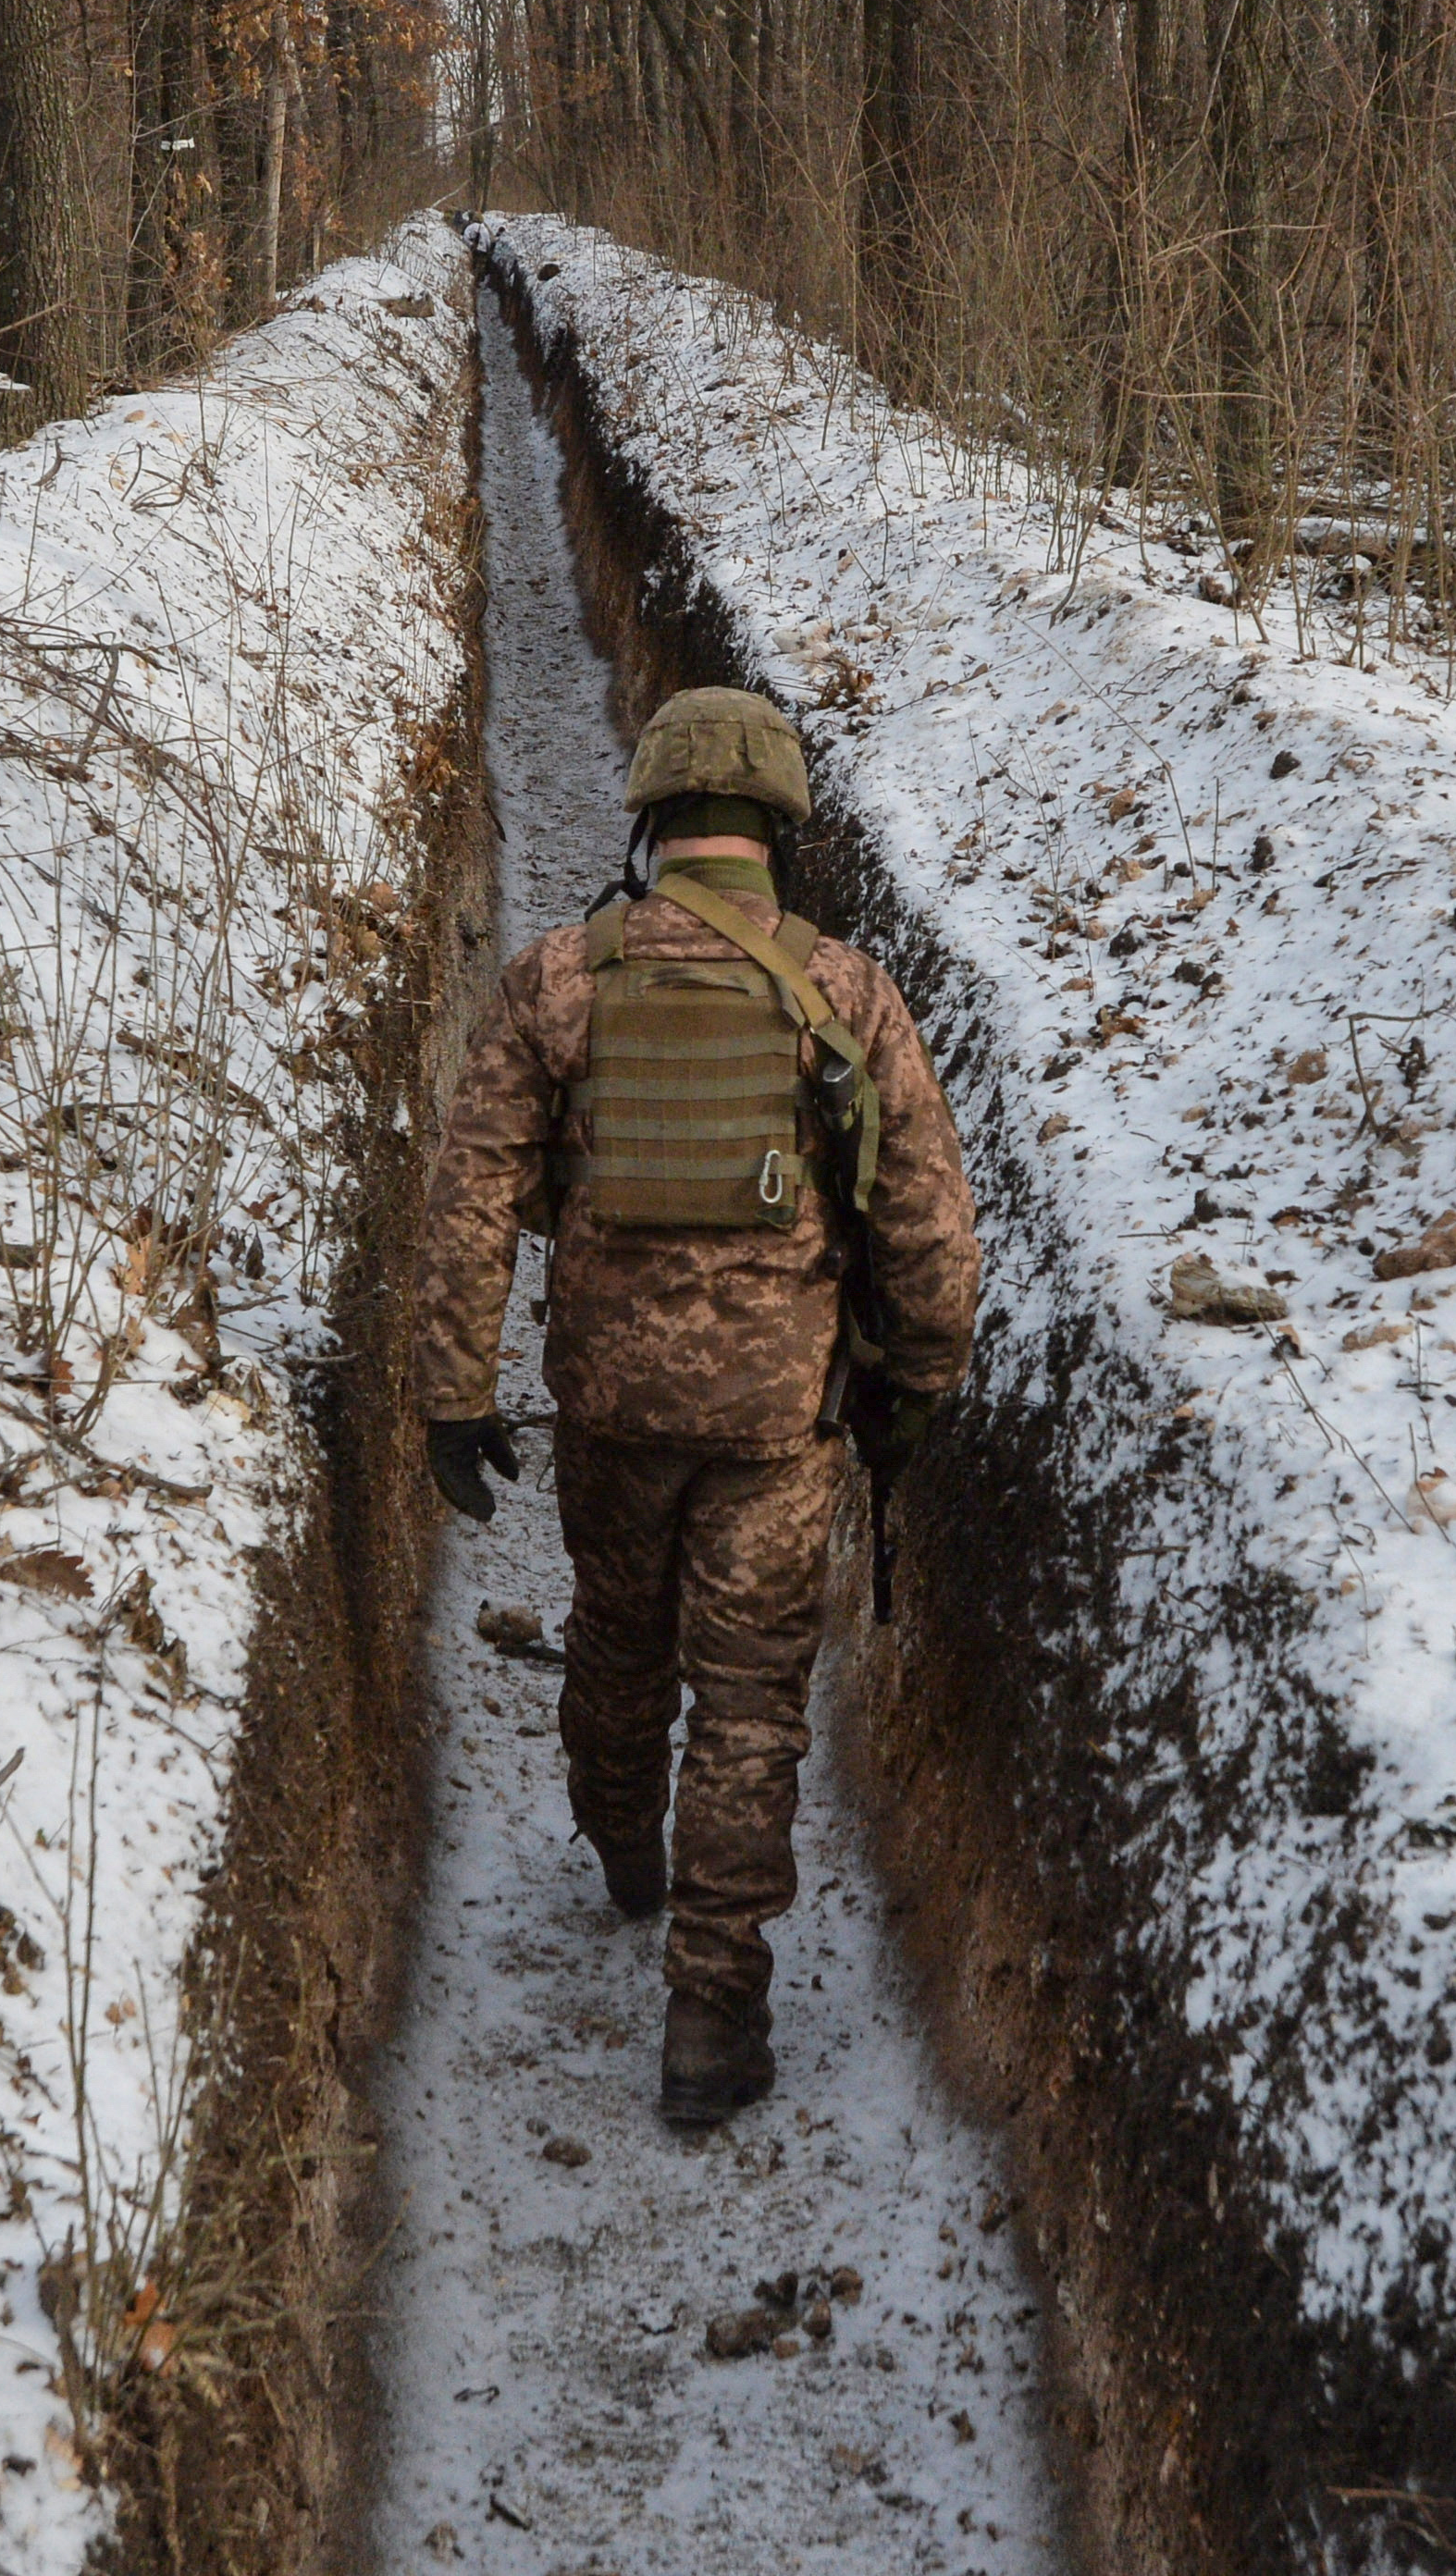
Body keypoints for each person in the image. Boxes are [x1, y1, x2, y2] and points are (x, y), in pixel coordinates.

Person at [414, 685, 983, 2126]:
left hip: (608, 1412)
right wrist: (916, 1390)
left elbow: (472, 1194)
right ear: (777, 830)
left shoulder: (559, 978)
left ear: (653, 823)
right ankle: (710, 2018)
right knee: (747, 1707)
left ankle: (621, 1847)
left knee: (616, 1637)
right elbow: (928, 1233)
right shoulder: (843, 995)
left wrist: (451, 1394)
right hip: (775, 1427)